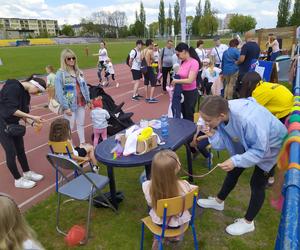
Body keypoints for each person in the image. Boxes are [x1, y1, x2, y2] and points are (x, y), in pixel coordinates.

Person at [197, 96, 287, 236]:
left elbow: (259, 151)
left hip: (271, 146)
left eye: (208, 120)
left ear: (221, 115)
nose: (206, 123)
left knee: (257, 183)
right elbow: (224, 142)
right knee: (233, 171)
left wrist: (236, 161)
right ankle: (219, 201)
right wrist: (212, 134)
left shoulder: (248, 120)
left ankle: (248, 223)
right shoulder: (223, 112)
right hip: (252, 142)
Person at [142, 150, 197, 249]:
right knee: (175, 219)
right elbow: (194, 189)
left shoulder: (147, 186)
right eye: (178, 161)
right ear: (176, 168)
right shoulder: (184, 185)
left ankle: (158, 238)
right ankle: (176, 236)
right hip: (179, 223)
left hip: (158, 224)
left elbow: (150, 203)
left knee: (160, 220)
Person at [0, 75, 45, 189]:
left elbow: (22, 112)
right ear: (34, 84)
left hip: (13, 122)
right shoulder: (13, 87)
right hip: (2, 123)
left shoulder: (26, 95)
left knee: (20, 150)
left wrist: (33, 123)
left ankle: (27, 172)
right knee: (11, 152)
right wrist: (33, 117)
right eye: (38, 90)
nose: (38, 93)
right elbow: (12, 110)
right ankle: (18, 180)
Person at [55, 48, 91, 146]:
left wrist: (88, 100)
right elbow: (59, 92)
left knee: (81, 123)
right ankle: (70, 146)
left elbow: (85, 86)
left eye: (73, 58)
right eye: (68, 58)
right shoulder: (60, 74)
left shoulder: (79, 72)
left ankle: (82, 143)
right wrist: (65, 107)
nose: (71, 60)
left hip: (81, 102)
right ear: (64, 60)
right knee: (69, 126)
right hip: (70, 105)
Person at [172, 42, 200, 122]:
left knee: (188, 115)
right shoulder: (183, 62)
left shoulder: (194, 63)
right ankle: (185, 131)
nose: (178, 57)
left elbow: (190, 80)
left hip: (190, 93)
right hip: (182, 92)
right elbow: (181, 75)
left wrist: (177, 81)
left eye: (178, 55)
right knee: (182, 114)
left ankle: (190, 132)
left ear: (184, 51)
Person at [235, 30, 260, 94]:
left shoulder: (246, 46)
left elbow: (241, 59)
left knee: (243, 87)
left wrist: (236, 63)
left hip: (244, 70)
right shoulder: (257, 46)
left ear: (247, 37)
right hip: (253, 69)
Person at [141, 39, 158, 103]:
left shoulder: (143, 51)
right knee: (153, 82)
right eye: (152, 44)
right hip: (149, 68)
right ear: (150, 44)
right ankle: (151, 98)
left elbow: (140, 59)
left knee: (146, 82)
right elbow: (154, 59)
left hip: (144, 68)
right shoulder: (150, 51)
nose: (153, 45)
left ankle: (147, 97)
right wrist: (151, 60)